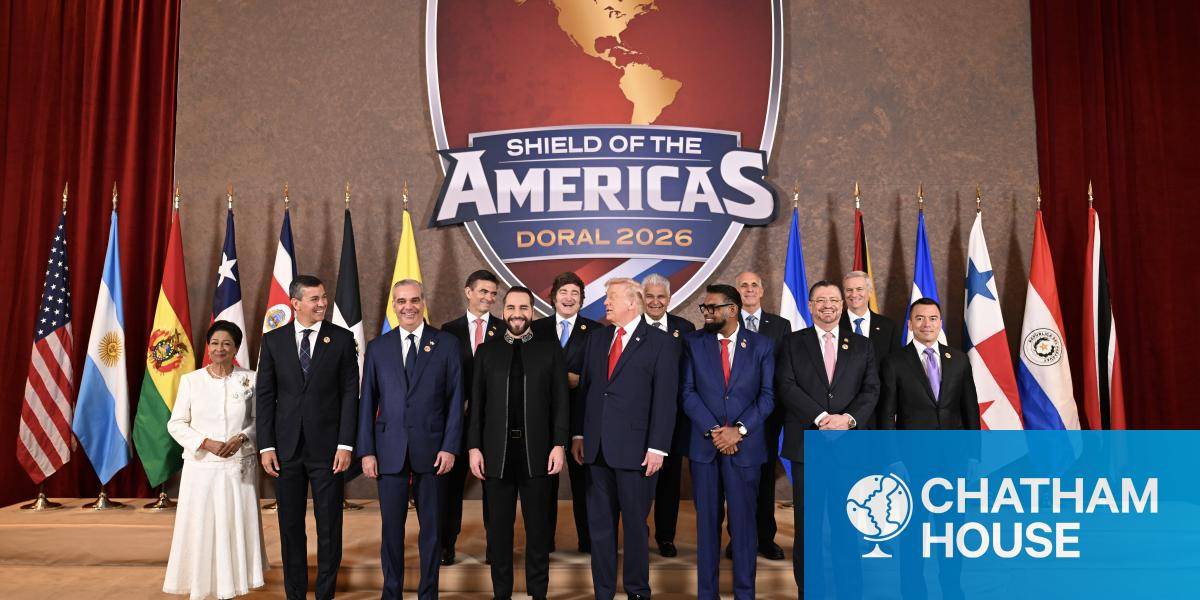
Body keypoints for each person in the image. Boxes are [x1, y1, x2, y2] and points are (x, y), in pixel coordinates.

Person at [357, 279, 464, 600]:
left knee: (431, 531)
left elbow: (456, 401)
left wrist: (449, 447)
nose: (409, 307)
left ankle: (428, 593)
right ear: (394, 305)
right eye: (402, 301)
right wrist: (367, 451)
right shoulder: (378, 348)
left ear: (423, 303)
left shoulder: (445, 344)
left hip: (433, 452)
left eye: (415, 300)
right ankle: (392, 593)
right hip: (388, 451)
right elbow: (367, 404)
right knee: (391, 531)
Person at [572, 277, 677, 600]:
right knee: (600, 529)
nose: (605, 303)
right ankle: (602, 591)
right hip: (597, 449)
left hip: (637, 452)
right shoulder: (597, 338)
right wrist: (578, 433)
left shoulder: (661, 343)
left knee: (634, 527)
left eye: (611, 298)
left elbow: (665, 399)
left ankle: (636, 591)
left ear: (633, 302)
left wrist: (658, 446)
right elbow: (587, 391)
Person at [256, 276, 359, 600]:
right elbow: (265, 395)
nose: (322, 304)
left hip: (329, 450)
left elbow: (349, 394)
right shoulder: (273, 341)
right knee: (290, 526)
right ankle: (296, 594)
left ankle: (325, 594)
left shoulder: (341, 339)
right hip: (286, 450)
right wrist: (266, 445)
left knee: (329, 526)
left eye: (324, 297)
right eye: (314, 299)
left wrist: (346, 444)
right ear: (295, 303)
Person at [776, 280, 879, 596]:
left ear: (843, 304)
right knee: (808, 526)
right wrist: (822, 419)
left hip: (848, 446)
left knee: (847, 525)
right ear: (809, 306)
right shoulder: (792, 343)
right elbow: (786, 385)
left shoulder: (861, 345)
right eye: (820, 300)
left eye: (834, 299)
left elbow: (871, 389)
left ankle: (850, 590)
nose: (828, 305)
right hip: (809, 445)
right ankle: (809, 589)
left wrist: (847, 420)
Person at [468, 286, 569, 600]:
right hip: (496, 455)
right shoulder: (487, 351)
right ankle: (502, 594)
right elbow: (477, 405)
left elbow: (561, 403)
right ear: (503, 310)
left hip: (537, 454)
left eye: (523, 308)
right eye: (511, 308)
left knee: (538, 533)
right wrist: (473, 447)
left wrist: (559, 444)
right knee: (498, 534)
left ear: (532, 312)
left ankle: (539, 593)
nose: (517, 314)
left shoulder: (549, 350)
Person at [681, 284, 775, 600]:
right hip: (705, 449)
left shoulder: (761, 345)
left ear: (732, 309)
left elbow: (767, 396)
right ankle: (707, 595)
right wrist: (715, 431)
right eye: (704, 308)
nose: (706, 312)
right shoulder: (693, 343)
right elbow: (687, 392)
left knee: (744, 529)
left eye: (712, 307)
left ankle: (744, 594)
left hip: (745, 449)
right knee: (707, 527)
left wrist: (739, 430)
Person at [164, 321, 267, 600]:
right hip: (202, 469)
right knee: (202, 527)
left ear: (236, 348)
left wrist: (242, 438)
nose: (219, 348)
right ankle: (202, 585)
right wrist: (205, 442)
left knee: (235, 526)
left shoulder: (252, 379)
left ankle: (237, 584)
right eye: (214, 343)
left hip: (238, 469)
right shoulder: (191, 381)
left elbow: (262, 421)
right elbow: (176, 424)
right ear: (208, 346)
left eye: (226, 344)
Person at [531, 271, 600, 553]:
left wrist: (580, 380)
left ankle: (588, 542)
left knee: (585, 487)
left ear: (582, 300)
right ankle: (544, 543)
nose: (568, 298)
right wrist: (560, 380)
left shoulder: (596, 331)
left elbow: (601, 378)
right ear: (552, 297)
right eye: (563, 292)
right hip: (543, 421)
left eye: (575, 293)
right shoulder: (536, 330)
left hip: (581, 420)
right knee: (543, 487)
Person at [437, 269, 501, 565]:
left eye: (492, 293)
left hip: (493, 425)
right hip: (458, 424)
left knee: (495, 488)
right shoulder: (448, 331)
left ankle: (494, 548)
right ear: (468, 292)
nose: (488, 297)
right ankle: (445, 546)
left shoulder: (504, 331)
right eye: (483, 291)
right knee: (450, 489)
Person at [732, 270, 789, 560]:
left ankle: (766, 538)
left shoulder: (781, 325)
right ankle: (737, 539)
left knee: (765, 480)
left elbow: (785, 371)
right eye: (744, 285)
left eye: (755, 284)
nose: (749, 289)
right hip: (733, 416)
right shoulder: (727, 323)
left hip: (767, 417)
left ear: (762, 290)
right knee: (736, 481)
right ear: (737, 291)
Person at [640, 273, 695, 557]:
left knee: (669, 483)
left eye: (661, 296)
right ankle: (639, 533)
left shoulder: (685, 328)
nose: (655, 301)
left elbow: (691, 375)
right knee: (638, 483)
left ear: (669, 299)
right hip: (635, 422)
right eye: (650, 296)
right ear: (641, 298)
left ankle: (665, 536)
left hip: (673, 421)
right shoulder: (631, 327)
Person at [879, 298, 980, 430]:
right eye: (920, 318)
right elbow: (887, 414)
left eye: (933, 319)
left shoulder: (959, 360)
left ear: (940, 323)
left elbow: (970, 409)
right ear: (909, 324)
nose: (927, 324)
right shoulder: (893, 362)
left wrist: (974, 448)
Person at [839, 270, 900, 426]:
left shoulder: (888, 327)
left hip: (879, 409)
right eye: (849, 290)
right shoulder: (834, 326)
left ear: (870, 291)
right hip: (842, 410)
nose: (854, 294)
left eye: (859, 289)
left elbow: (894, 372)